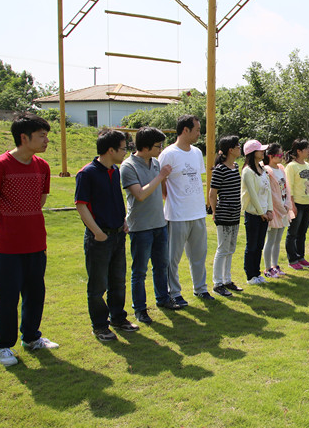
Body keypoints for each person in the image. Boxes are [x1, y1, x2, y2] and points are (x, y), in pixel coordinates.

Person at [0, 113, 58, 366]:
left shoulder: (42, 166)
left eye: (47, 135)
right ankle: (2, 346)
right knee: (7, 297)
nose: (46, 140)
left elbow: (40, 200)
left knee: (35, 293)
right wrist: (7, 228)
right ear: (24, 138)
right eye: (42, 136)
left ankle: (32, 338)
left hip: (36, 243)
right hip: (6, 247)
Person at [75, 128, 139, 341]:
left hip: (118, 235)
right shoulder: (87, 173)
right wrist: (97, 232)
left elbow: (115, 199)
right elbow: (81, 205)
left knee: (118, 281)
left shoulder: (115, 170)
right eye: (123, 148)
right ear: (110, 150)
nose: (125, 152)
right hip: (99, 238)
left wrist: (123, 221)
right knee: (98, 285)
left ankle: (118, 318)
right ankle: (100, 326)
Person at [121, 126, 179, 324]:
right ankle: (140, 309)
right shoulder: (128, 166)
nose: (160, 149)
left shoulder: (155, 163)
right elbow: (140, 194)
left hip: (159, 224)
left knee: (161, 266)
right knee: (139, 271)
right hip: (140, 227)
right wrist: (161, 176)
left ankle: (163, 298)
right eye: (157, 146)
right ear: (145, 147)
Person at [158, 115, 210, 305]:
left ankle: (200, 288)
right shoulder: (169, 154)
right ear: (185, 130)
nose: (199, 133)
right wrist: (171, 199)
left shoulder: (196, 152)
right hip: (177, 215)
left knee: (199, 255)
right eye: (197, 130)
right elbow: (161, 181)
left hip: (197, 213)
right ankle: (174, 292)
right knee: (173, 257)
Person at [209, 136, 244, 296]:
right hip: (224, 214)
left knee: (230, 248)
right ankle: (217, 283)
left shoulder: (235, 167)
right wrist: (215, 212)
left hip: (235, 214)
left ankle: (227, 280)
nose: (239, 148)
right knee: (222, 249)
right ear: (230, 150)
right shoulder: (220, 169)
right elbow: (212, 194)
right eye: (237, 146)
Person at [241, 140, 273, 285]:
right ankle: (250, 275)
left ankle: (257, 273)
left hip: (265, 213)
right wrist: (261, 212)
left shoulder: (263, 169)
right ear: (252, 153)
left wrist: (269, 210)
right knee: (252, 245)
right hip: (254, 214)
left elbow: (268, 190)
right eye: (260, 150)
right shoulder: (247, 171)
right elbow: (253, 195)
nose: (263, 152)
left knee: (259, 245)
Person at [284, 139, 309, 270]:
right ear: (299, 151)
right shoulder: (291, 166)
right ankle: (292, 259)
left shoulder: (307, 165)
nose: (308, 151)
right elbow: (289, 186)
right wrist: (292, 204)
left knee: (302, 232)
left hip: (308, 202)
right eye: (306, 148)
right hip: (297, 203)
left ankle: (300, 257)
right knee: (293, 233)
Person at [262, 143, 292, 278]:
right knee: (271, 239)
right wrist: (281, 207)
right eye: (279, 155)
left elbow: (287, 187)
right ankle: (268, 268)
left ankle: (275, 265)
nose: (281, 157)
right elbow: (272, 193)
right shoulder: (267, 170)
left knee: (278, 240)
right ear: (270, 156)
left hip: (284, 209)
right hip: (275, 210)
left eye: (282, 154)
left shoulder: (281, 168)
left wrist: (287, 204)